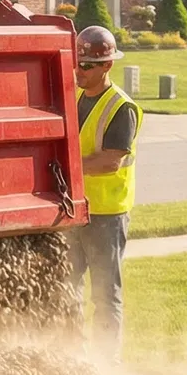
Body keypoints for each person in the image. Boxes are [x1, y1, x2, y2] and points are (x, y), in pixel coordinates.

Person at [71, 25, 139, 355]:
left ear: (107, 65)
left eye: (86, 65)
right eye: (76, 62)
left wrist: (65, 167)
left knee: (104, 293)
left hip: (106, 216)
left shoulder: (120, 107)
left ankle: (105, 364)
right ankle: (71, 355)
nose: (78, 70)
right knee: (64, 287)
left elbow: (111, 162)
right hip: (75, 212)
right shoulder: (74, 98)